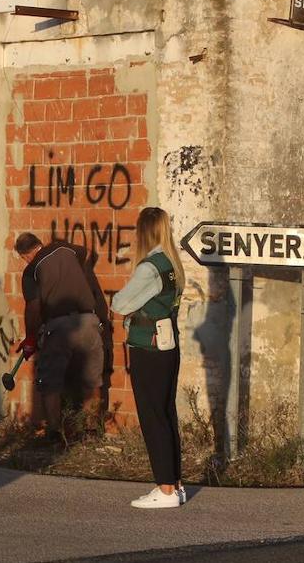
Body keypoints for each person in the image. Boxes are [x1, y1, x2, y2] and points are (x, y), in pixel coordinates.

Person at [110, 207, 187, 509]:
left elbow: (120, 303)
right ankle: (175, 484)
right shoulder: (172, 263)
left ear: (144, 231)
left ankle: (165, 489)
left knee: (152, 417)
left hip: (149, 348)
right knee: (166, 414)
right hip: (169, 346)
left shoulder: (149, 268)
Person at [13, 232, 107, 442]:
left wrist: (30, 338)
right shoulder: (65, 249)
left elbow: (33, 309)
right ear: (40, 244)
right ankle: (92, 431)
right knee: (92, 381)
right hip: (89, 321)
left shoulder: (31, 271)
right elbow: (88, 253)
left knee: (50, 383)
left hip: (59, 326)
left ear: (24, 255)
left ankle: (55, 434)